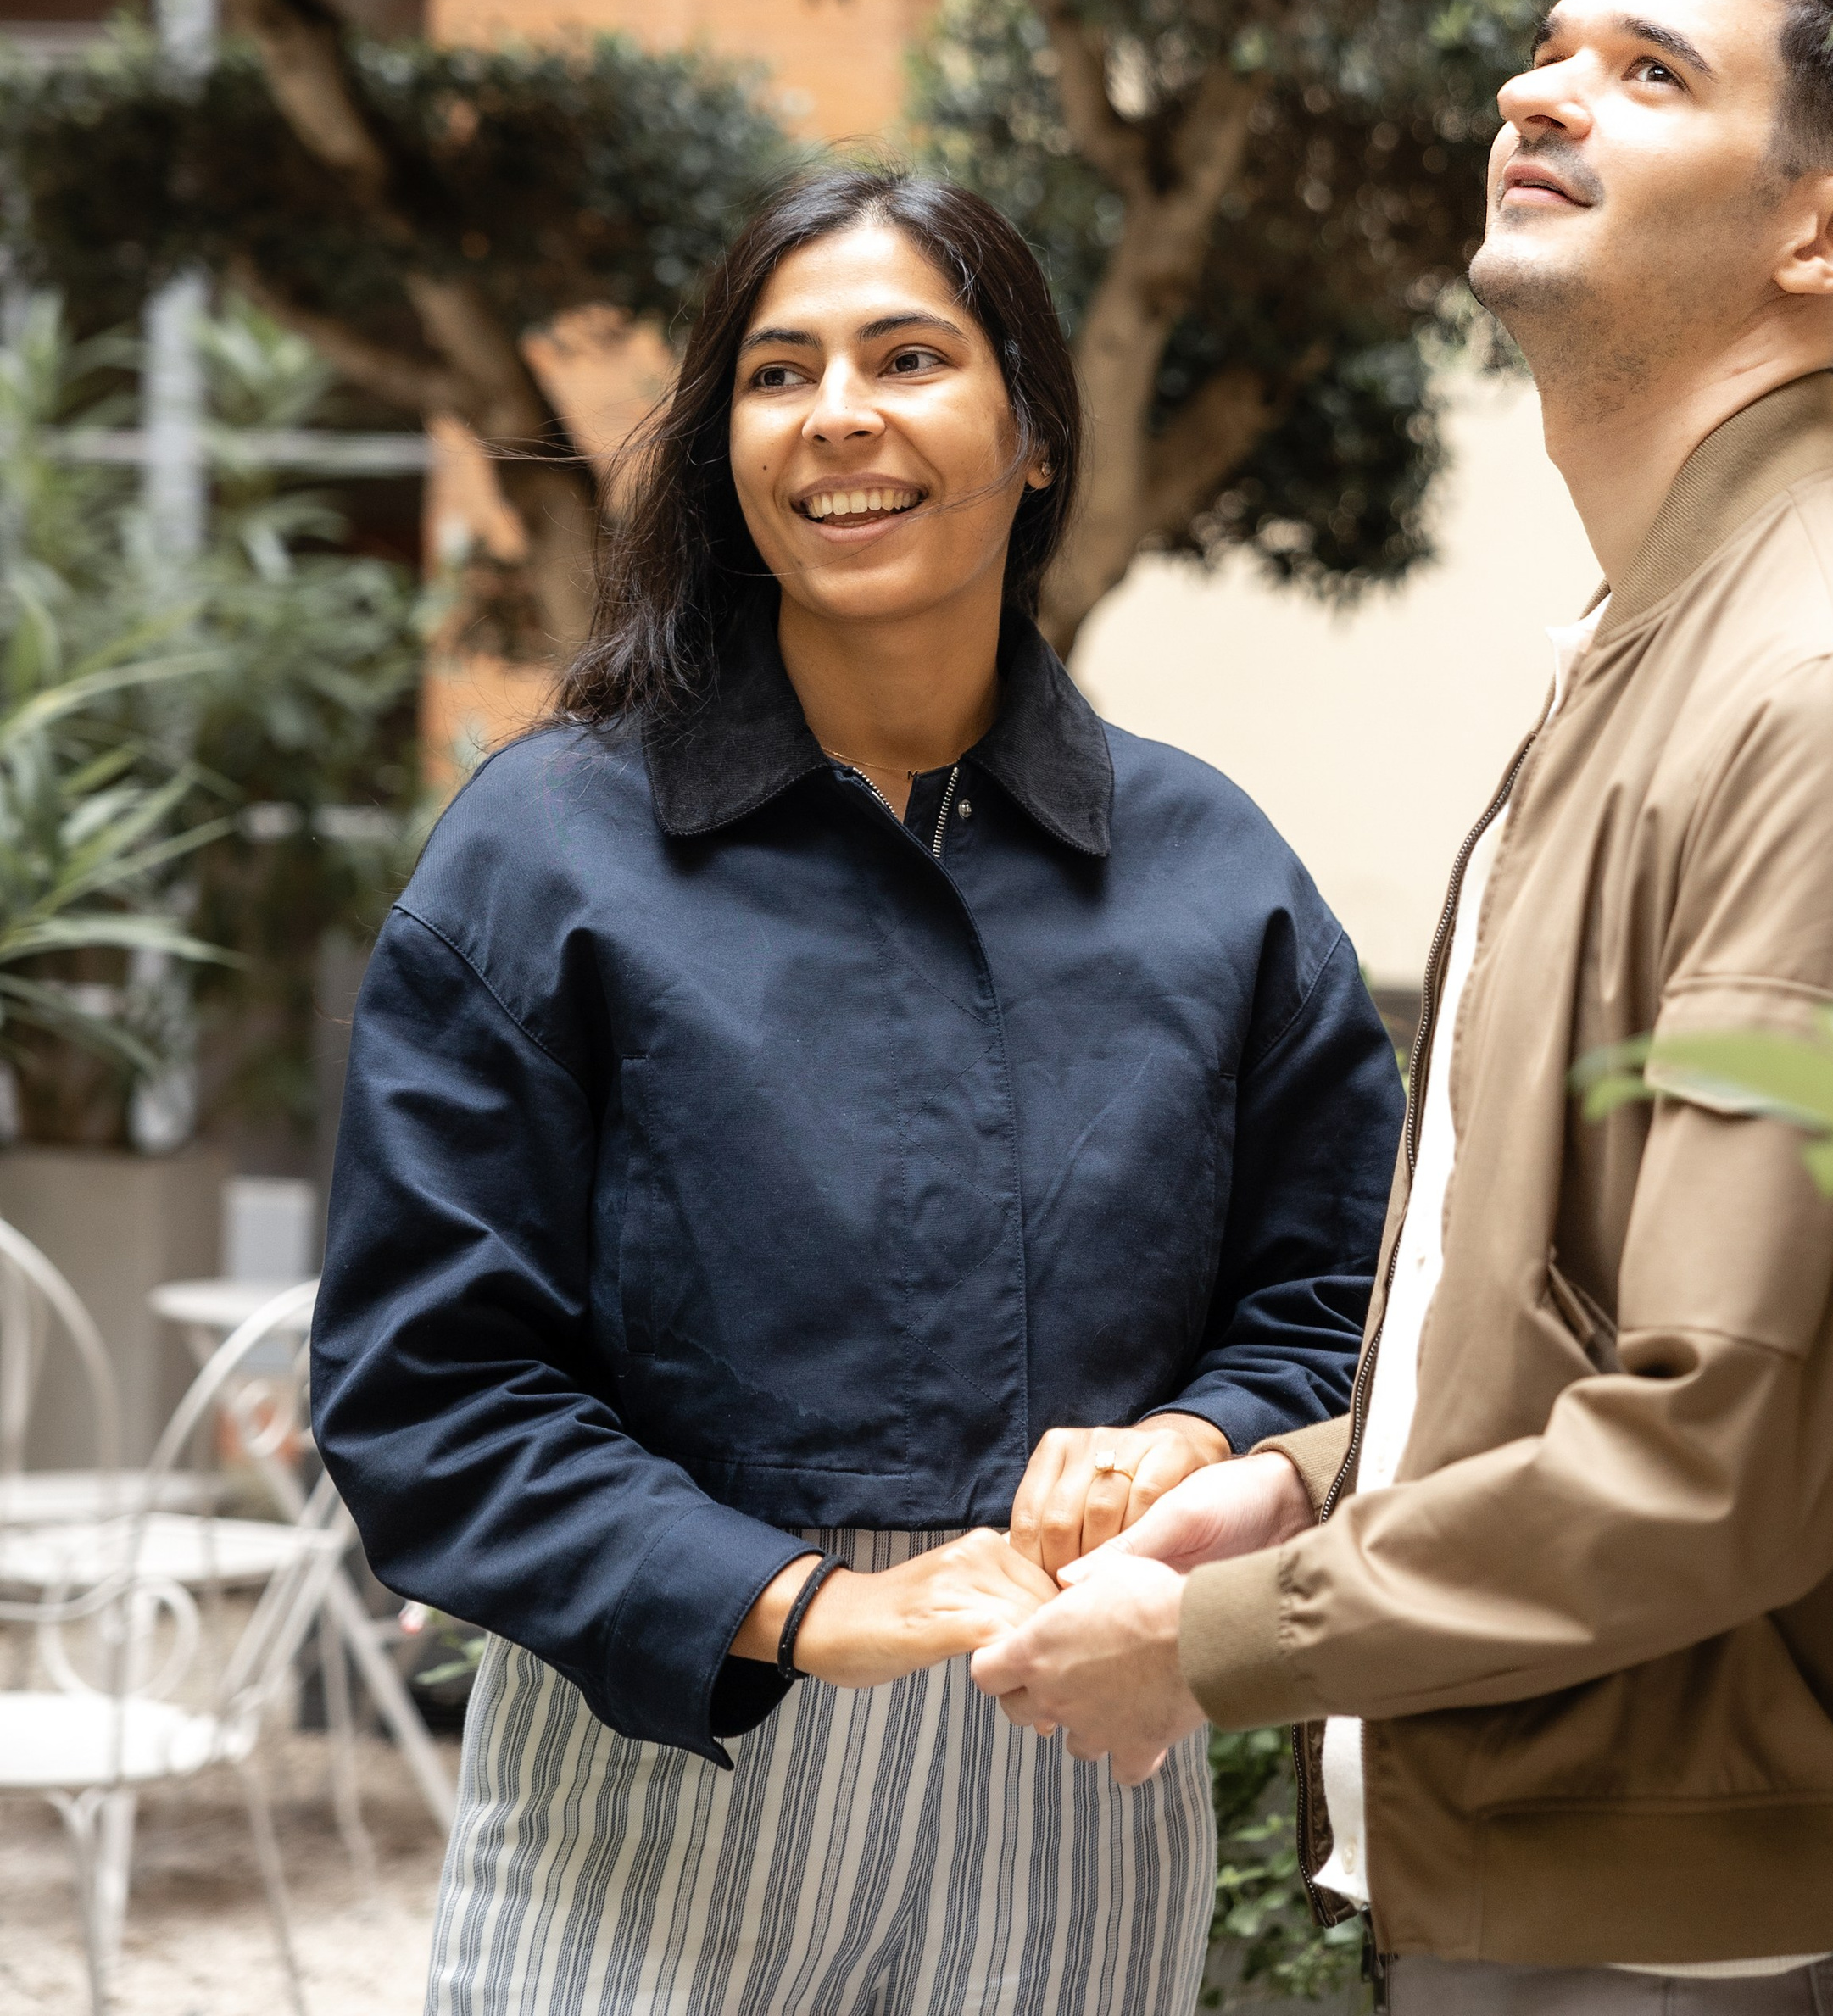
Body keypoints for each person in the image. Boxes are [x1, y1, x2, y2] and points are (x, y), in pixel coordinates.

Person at [973, 0, 1833, 2015]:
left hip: (1725, 1928)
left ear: (1822, 234)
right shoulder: (1663, 651)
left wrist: (1207, 1642)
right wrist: (1287, 1491)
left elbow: (1722, 1443)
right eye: (1546, 49)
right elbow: (1561, 1325)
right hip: (1605, 1879)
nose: (1538, 91)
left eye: (1648, 72)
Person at [311, 165, 1405, 2016]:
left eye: (907, 358)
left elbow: (1353, 1311)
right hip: (663, 1766)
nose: (837, 416)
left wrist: (1201, 1438)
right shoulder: (546, 850)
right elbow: (429, 1387)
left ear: (1034, 437)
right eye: (777, 372)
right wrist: (813, 1608)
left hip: (1077, 1755)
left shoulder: (1211, 870)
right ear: (723, 449)